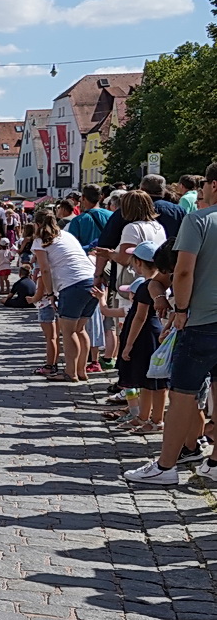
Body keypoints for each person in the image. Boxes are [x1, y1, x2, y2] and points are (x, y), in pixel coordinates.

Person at [124, 167, 217, 486]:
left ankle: (165, 467)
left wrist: (179, 309)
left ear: (213, 185)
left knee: (182, 395)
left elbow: (183, 272)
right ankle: (214, 462)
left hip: (202, 320)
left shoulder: (200, 220)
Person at [30, 209, 98, 383]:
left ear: (37, 224)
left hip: (72, 285)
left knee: (68, 332)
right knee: (80, 329)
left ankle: (70, 372)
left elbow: (44, 269)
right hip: (91, 280)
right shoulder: (67, 236)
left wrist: (51, 293)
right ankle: (81, 370)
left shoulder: (40, 241)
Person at [113, 243, 168, 436]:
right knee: (146, 381)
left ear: (138, 263)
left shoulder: (147, 286)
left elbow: (140, 316)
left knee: (155, 382)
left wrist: (128, 344)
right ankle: (144, 416)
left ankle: (156, 419)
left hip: (146, 336)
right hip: (150, 333)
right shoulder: (154, 284)